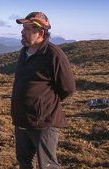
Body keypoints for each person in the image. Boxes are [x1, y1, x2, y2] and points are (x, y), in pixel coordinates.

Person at [11, 12, 76, 169]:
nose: (22, 32)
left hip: (44, 122)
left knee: (47, 165)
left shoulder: (54, 54)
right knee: (24, 162)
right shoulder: (24, 52)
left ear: (40, 33)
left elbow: (68, 88)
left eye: (26, 29)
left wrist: (43, 103)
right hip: (22, 119)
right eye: (23, 28)